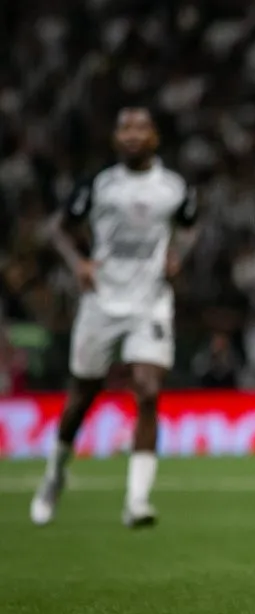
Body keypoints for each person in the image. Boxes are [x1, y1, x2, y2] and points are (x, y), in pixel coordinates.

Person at [30, 107, 199, 528]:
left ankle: (137, 501)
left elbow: (191, 225)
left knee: (147, 390)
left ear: (155, 136)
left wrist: (179, 254)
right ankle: (54, 474)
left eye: (141, 127)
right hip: (102, 303)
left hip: (150, 303)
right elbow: (55, 229)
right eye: (124, 127)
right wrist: (78, 264)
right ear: (115, 137)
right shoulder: (100, 185)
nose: (132, 135)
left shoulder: (173, 187)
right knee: (83, 396)